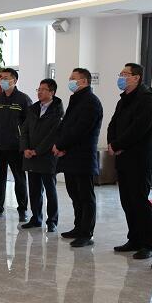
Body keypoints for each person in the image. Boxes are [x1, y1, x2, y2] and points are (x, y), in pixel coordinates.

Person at [108, 63, 152, 259]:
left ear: (136, 77)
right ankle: (135, 239)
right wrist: (112, 143)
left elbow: (139, 129)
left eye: (125, 74)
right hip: (123, 157)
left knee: (139, 201)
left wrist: (118, 144)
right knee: (127, 201)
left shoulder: (147, 99)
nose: (121, 77)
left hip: (139, 159)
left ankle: (149, 244)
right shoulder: (124, 99)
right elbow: (113, 124)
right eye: (120, 73)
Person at [52, 68, 103, 248]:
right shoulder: (76, 100)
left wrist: (61, 145)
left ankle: (86, 233)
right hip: (70, 156)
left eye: (73, 78)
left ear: (84, 81)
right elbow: (65, 126)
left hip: (83, 157)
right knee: (75, 194)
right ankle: (78, 227)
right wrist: (59, 144)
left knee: (85, 197)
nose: (70, 81)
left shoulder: (91, 102)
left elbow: (80, 130)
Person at [0, 68, 32, 222]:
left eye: (6, 78)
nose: (2, 81)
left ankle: (22, 209)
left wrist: (24, 143)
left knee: (19, 179)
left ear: (15, 80)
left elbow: (29, 124)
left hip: (16, 146)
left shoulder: (23, 99)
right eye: (1, 78)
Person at [20, 78, 64, 232]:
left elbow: (53, 135)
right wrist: (25, 148)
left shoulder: (57, 111)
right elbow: (24, 130)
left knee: (50, 190)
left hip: (47, 156)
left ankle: (52, 221)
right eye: (38, 89)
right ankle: (36, 218)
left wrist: (37, 151)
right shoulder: (33, 109)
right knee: (34, 190)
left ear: (52, 92)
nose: (39, 92)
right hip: (30, 156)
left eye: (43, 89)